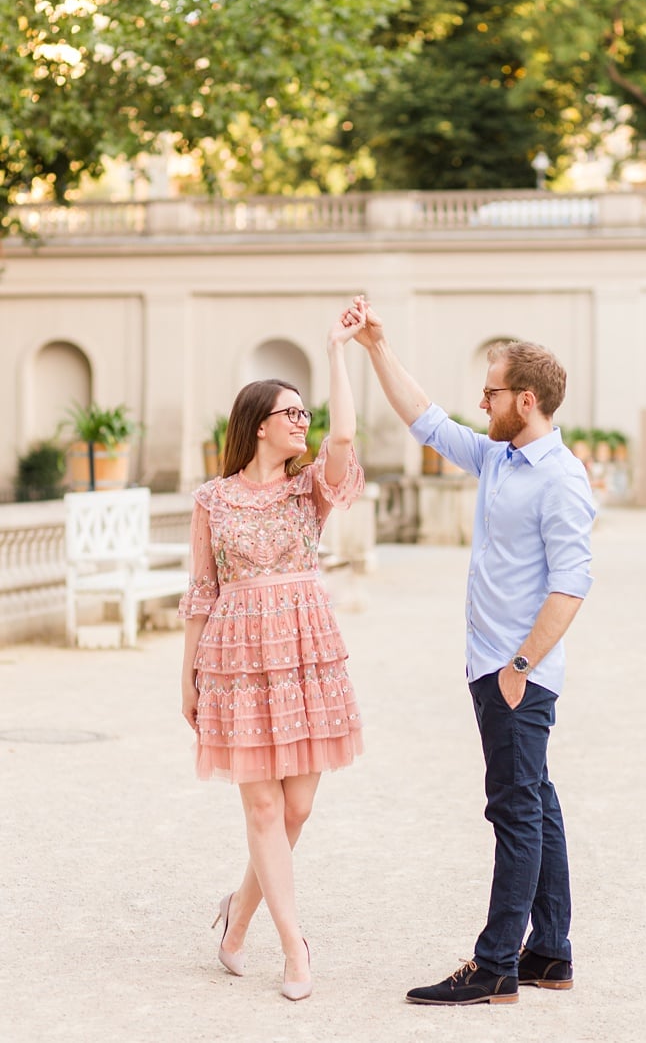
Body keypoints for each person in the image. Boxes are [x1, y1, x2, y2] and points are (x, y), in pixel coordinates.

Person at [343, 297, 595, 1006]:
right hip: (494, 669)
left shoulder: (559, 478)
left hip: (517, 676)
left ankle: (494, 968)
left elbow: (572, 587)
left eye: (490, 392)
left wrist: (518, 669)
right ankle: (549, 952)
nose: (479, 401)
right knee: (536, 804)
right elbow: (423, 417)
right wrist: (375, 347)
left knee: (514, 811)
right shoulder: (500, 457)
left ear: (525, 399)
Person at [179, 307, 368, 1001]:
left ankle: (237, 915)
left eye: (306, 413)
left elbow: (344, 433)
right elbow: (201, 592)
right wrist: (188, 679)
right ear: (259, 422)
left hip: (302, 650)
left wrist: (336, 350)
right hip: (234, 658)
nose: (304, 422)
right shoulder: (213, 500)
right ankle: (295, 948)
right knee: (261, 810)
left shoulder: (307, 489)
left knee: (295, 812)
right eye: (291, 413)